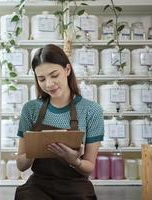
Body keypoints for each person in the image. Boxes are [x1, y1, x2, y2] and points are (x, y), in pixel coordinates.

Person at [14, 44, 104, 200]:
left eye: (54, 75)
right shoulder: (30, 109)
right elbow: (21, 165)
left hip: (76, 186)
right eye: (41, 79)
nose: (49, 84)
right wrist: (35, 148)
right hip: (38, 187)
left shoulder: (91, 110)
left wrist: (74, 160)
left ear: (67, 70)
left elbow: (89, 167)